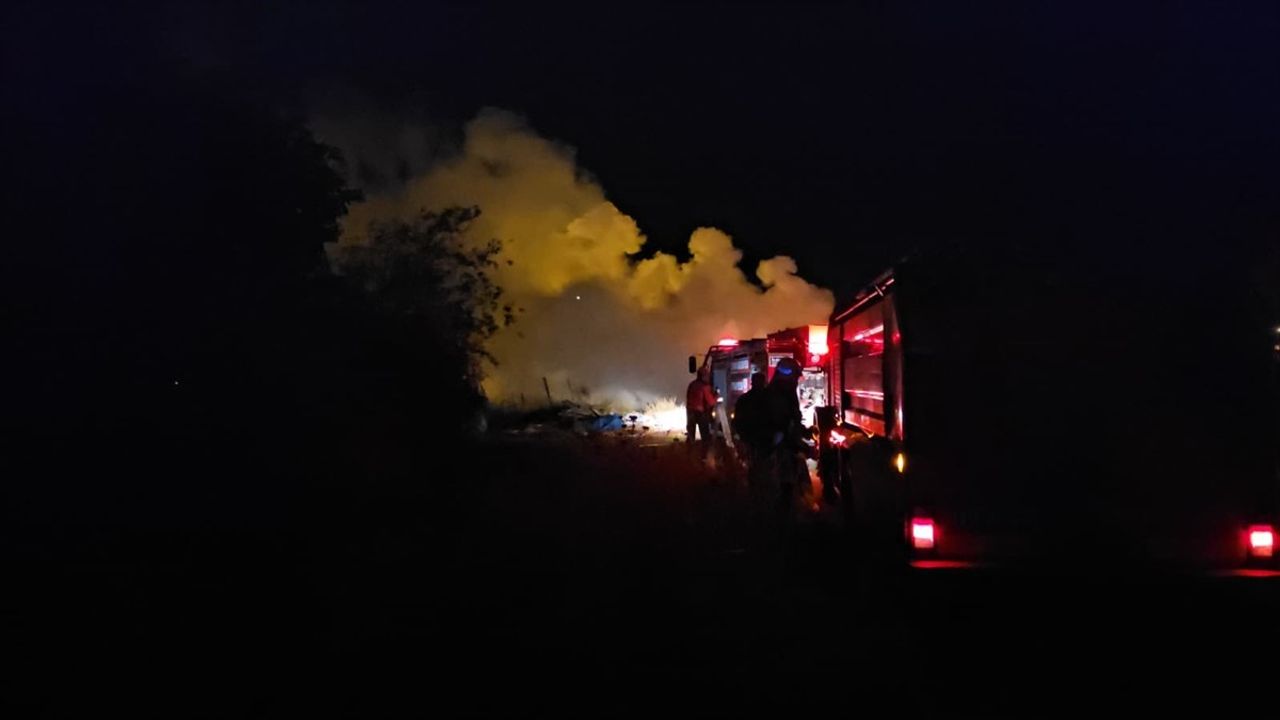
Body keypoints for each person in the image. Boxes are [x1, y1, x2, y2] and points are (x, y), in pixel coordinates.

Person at [731, 371, 770, 486]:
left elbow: (738, 419)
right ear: (764, 383)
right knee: (763, 462)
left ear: (752, 383)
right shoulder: (769, 398)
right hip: (765, 437)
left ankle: (753, 482)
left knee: (752, 461)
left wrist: (740, 434)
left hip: (749, 436)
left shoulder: (744, 399)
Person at [685, 365, 717, 454]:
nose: (708, 377)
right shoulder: (705, 387)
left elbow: (688, 398)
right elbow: (711, 402)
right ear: (703, 376)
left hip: (690, 412)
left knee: (691, 435)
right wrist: (716, 396)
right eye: (707, 375)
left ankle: (689, 454)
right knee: (705, 436)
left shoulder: (692, 384)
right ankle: (704, 456)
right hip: (700, 413)